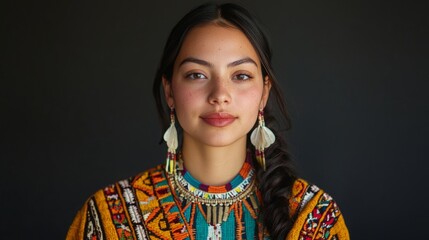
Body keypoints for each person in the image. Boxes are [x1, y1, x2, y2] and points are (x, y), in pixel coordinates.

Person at [67, 3, 349, 240]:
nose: (220, 95)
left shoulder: (313, 216)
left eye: (240, 76)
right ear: (170, 92)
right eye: (197, 75)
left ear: (264, 93)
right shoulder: (107, 219)